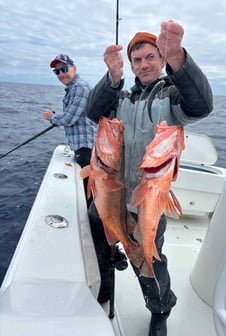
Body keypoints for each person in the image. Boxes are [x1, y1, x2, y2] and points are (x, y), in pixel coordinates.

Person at [85, 20, 213, 336]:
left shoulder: (172, 95)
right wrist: (112, 79)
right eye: (137, 60)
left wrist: (179, 59)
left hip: (148, 200)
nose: (143, 64)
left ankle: (160, 310)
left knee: (152, 261)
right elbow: (93, 112)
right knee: (95, 225)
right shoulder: (121, 98)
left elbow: (201, 105)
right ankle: (104, 279)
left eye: (151, 57)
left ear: (161, 58)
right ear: (130, 65)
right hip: (114, 193)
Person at [43, 54, 97, 208]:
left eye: (64, 69)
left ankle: (95, 226)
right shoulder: (74, 87)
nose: (61, 74)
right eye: (57, 71)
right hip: (84, 147)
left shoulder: (80, 87)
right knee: (89, 191)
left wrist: (53, 118)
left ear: (74, 68)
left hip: (86, 148)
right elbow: (73, 118)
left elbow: (69, 119)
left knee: (90, 194)